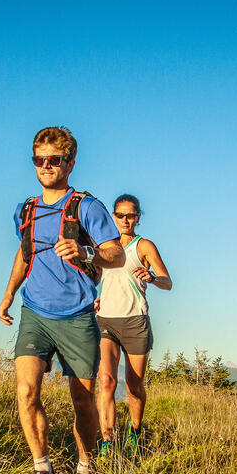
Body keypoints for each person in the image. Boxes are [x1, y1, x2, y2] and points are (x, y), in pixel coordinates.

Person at [0, 127, 124, 474]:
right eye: (40, 159)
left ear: (70, 162)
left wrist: (86, 252)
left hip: (77, 316)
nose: (46, 166)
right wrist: (7, 296)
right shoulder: (27, 210)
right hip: (34, 311)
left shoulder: (87, 206)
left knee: (83, 403)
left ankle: (85, 468)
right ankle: (42, 472)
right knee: (26, 392)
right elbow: (25, 254)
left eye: (54, 159)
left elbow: (115, 254)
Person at [94, 195, 172, 459]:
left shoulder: (144, 246)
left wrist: (152, 277)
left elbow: (167, 281)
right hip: (105, 320)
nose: (125, 220)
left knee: (133, 386)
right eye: (120, 215)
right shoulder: (104, 246)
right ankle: (107, 441)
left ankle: (135, 432)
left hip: (135, 321)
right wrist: (92, 297)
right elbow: (95, 278)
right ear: (113, 216)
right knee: (106, 381)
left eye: (131, 215)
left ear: (138, 217)